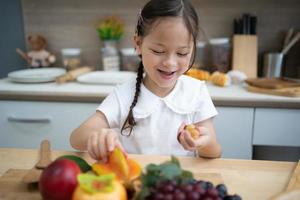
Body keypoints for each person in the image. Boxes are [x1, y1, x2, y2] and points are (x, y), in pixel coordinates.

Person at [70, 0, 221, 162]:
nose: (170, 62)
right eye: (158, 51)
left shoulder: (196, 91)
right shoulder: (123, 95)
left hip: (180, 183)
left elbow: (214, 152)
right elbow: (76, 139)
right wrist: (98, 136)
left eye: (182, 53)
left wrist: (203, 143)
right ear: (138, 43)